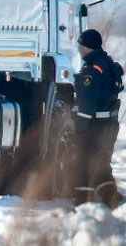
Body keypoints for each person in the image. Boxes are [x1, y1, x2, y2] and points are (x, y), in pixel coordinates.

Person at [72, 28, 124, 208]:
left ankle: (82, 204)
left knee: (83, 163)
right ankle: (112, 199)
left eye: (81, 45)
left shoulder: (92, 70)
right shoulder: (108, 64)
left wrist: (79, 128)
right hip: (109, 124)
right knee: (102, 163)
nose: (79, 48)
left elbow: (87, 103)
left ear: (89, 47)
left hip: (94, 127)